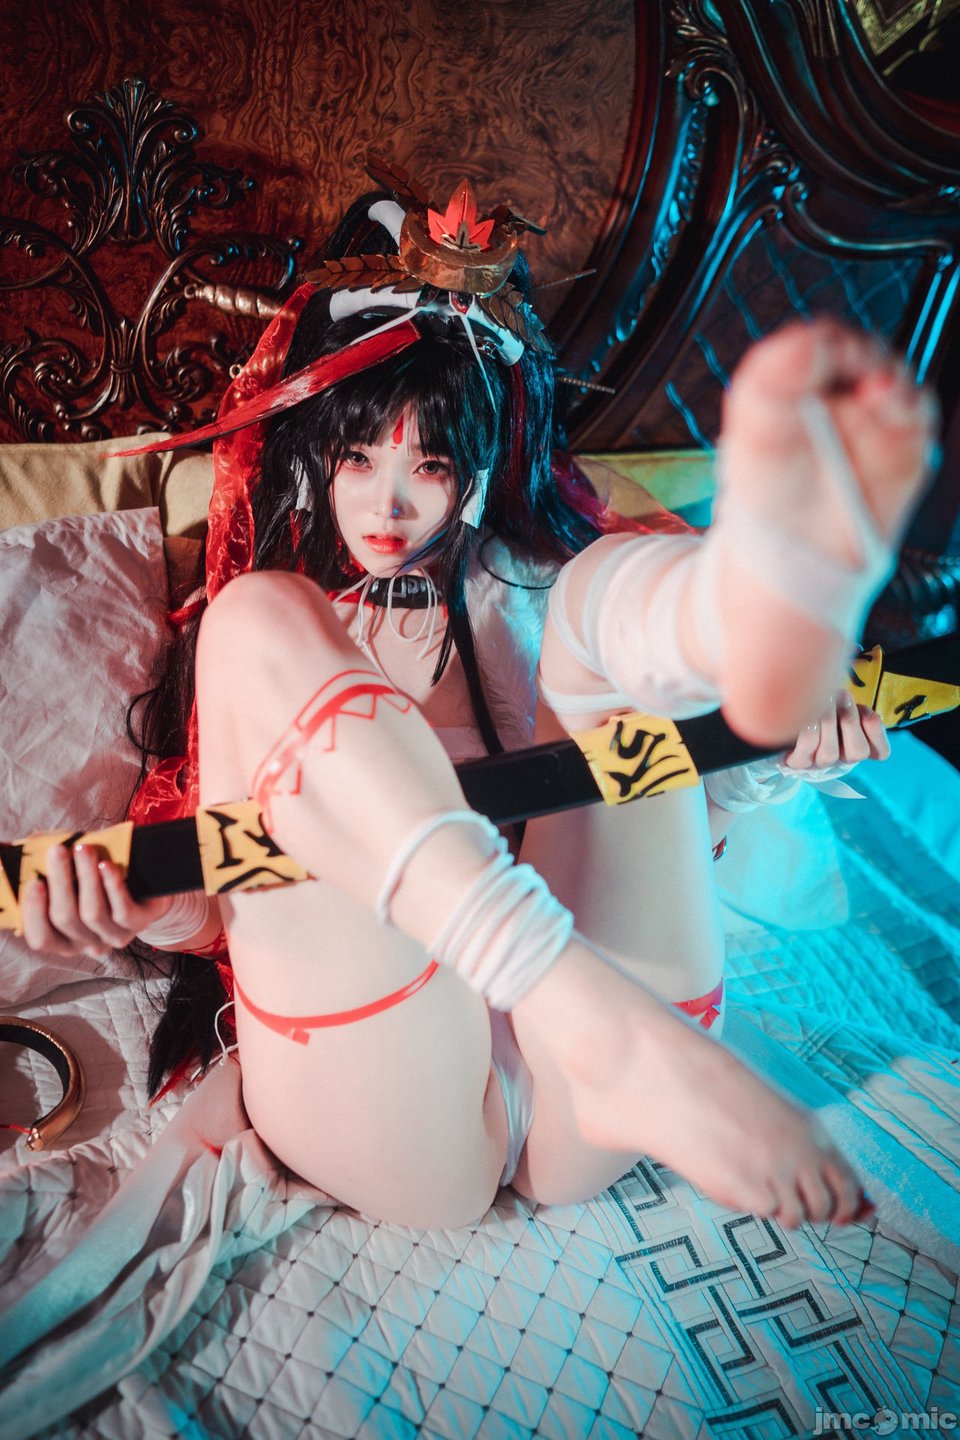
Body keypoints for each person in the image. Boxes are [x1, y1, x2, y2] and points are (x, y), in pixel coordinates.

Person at [20, 169, 934, 1231]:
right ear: (315, 459)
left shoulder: (526, 595)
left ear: (483, 466)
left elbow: (667, 815)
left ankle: (747, 609)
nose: (389, 504)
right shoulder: (273, 643)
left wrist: (772, 758)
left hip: (581, 1076)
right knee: (254, 612)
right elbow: (233, 893)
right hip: (399, 1086)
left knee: (596, 584)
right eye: (357, 458)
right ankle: (576, 995)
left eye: (432, 464)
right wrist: (142, 907)